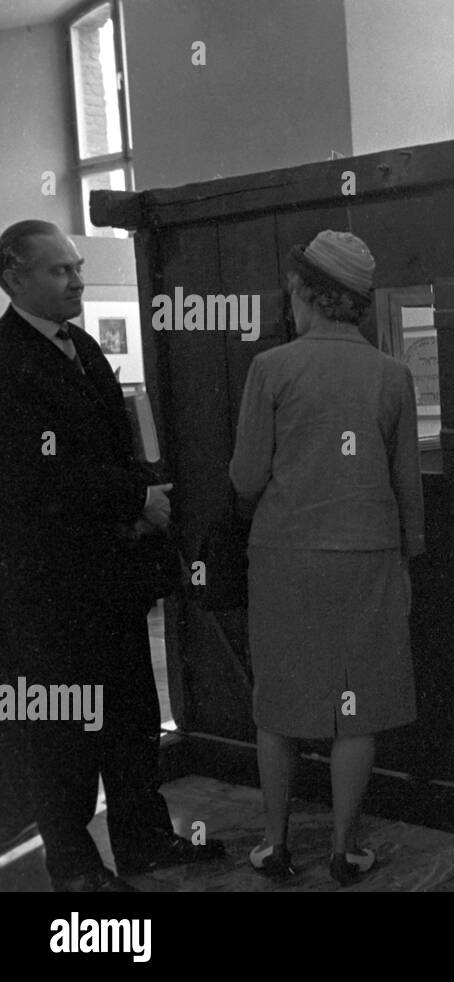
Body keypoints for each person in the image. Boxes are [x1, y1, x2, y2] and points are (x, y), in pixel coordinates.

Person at [0, 219, 225, 892]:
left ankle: (144, 839)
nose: (77, 278)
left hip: (110, 579)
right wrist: (136, 496)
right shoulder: (9, 361)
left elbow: (106, 448)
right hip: (50, 587)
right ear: (14, 276)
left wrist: (137, 493)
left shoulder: (84, 349)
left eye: (76, 267)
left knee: (129, 717)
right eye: (59, 270)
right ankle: (72, 866)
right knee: (65, 730)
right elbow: (39, 472)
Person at [229, 230, 425, 886]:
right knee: (356, 708)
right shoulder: (392, 376)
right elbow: (407, 489)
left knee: (278, 704)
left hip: (284, 556)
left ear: (301, 292)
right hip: (367, 556)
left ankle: (275, 846)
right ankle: (345, 850)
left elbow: (246, 477)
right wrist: (407, 559)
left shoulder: (271, 369)